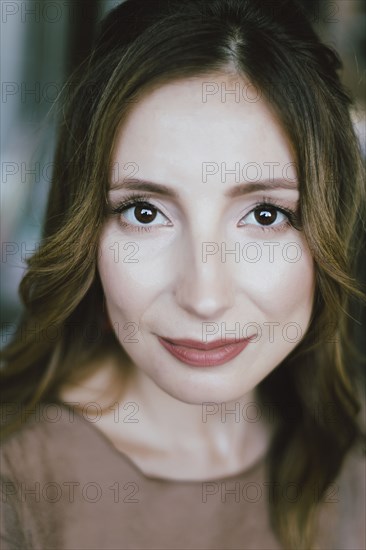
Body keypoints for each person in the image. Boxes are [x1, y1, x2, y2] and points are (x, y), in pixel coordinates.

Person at [1, 0, 365, 548]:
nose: (204, 296)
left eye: (265, 215)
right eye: (144, 212)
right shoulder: (18, 480)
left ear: (330, 229)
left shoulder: (347, 449)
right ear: (85, 234)